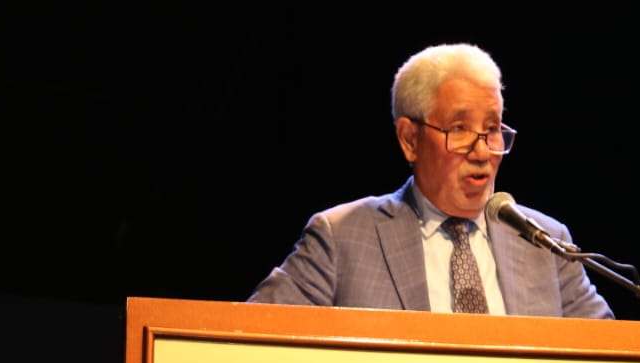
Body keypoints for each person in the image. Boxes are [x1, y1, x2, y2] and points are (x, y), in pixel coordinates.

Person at [246, 43, 613, 318]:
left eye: (491, 129)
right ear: (410, 139)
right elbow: (253, 338)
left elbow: (612, 361)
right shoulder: (342, 238)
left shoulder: (546, 244)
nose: (482, 152)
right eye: (459, 129)